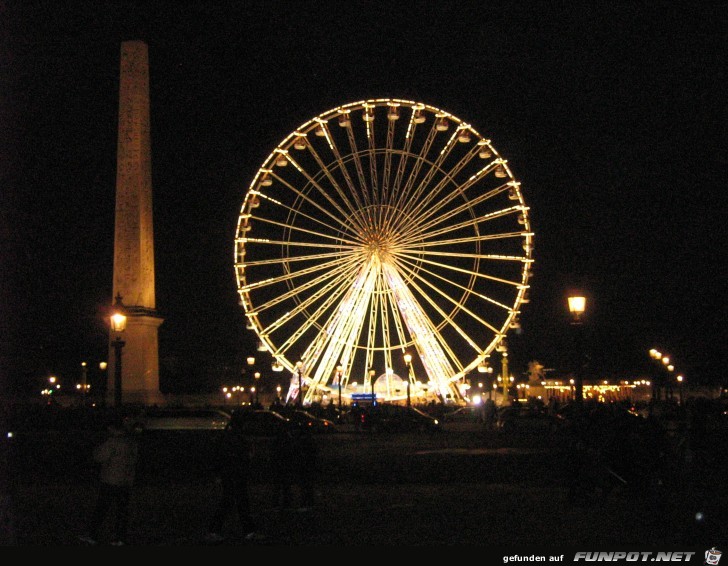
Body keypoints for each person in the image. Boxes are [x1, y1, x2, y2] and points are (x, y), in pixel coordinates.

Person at [79, 413, 139, 546]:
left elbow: (99, 456)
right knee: (122, 511)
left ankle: (91, 534)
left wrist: (96, 450)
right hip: (126, 481)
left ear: (112, 428)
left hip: (111, 480)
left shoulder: (113, 441)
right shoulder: (130, 441)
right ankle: (120, 538)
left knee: (101, 509)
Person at [205, 421, 262, 543]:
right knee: (238, 503)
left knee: (230, 502)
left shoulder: (227, 439)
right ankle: (247, 531)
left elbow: (220, 457)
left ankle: (215, 530)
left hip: (230, 475)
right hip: (236, 475)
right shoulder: (238, 440)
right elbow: (242, 458)